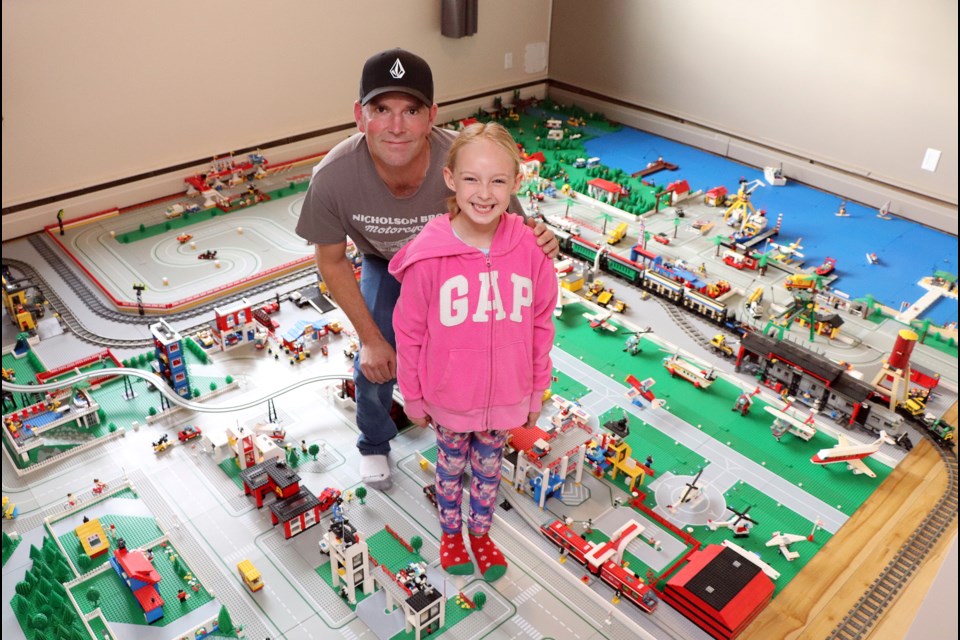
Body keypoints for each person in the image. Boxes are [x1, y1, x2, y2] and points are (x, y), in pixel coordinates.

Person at [296, 48, 557, 490]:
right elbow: (332, 259)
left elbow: (509, 224)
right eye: (382, 110)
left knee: (485, 339)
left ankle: (481, 419)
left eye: (411, 110)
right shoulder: (334, 177)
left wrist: (542, 235)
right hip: (385, 261)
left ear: (432, 115)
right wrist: (372, 340)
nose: (396, 126)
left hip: (459, 261)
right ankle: (375, 441)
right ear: (360, 116)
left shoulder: (466, 159)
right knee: (375, 359)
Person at [388, 122, 557, 581]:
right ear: (450, 180)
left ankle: (481, 534)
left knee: (487, 476)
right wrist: (415, 396)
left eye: (498, 180)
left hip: (507, 399)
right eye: (472, 179)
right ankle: (450, 533)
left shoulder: (533, 251)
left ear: (516, 184)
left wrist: (535, 392)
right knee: (449, 472)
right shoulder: (429, 257)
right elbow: (409, 332)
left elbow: (542, 325)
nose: (484, 193)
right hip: (449, 401)